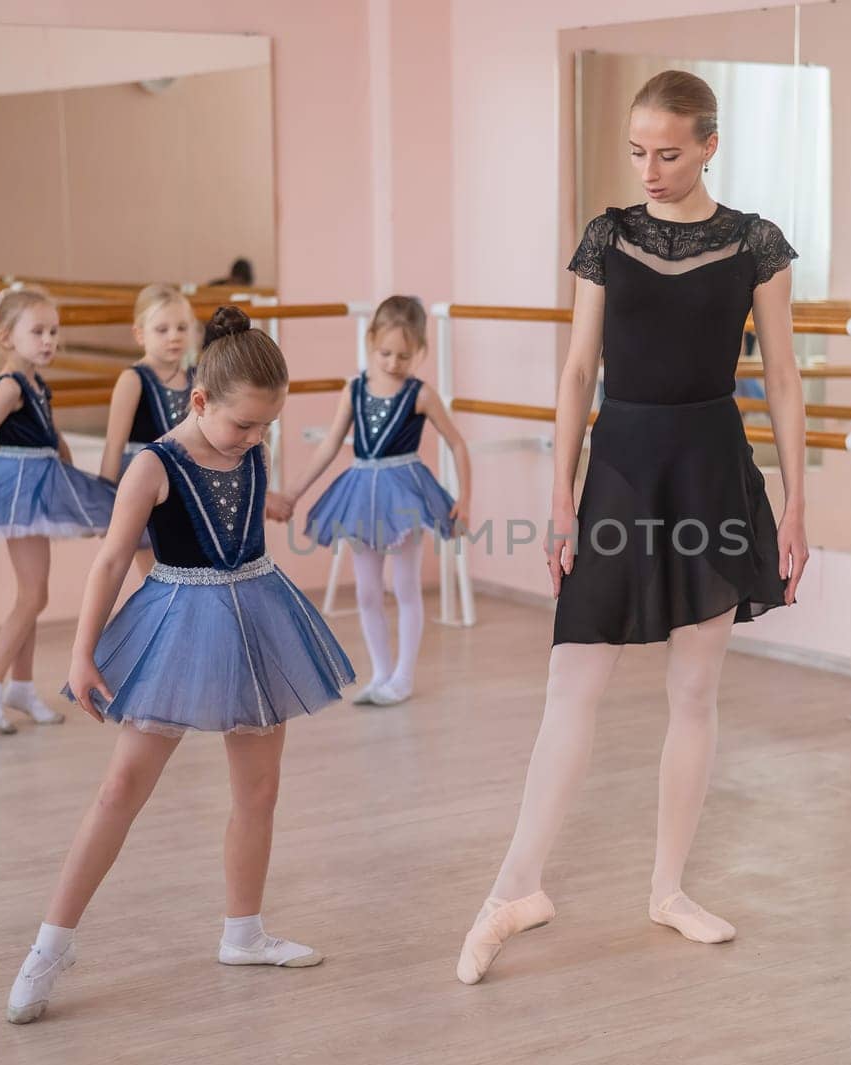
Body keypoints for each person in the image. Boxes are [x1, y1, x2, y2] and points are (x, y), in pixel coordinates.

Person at [455, 70, 808, 985]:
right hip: (620, 467)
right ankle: (514, 888)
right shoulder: (608, 235)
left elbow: (783, 378)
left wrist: (797, 502)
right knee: (572, 675)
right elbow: (578, 373)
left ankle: (668, 887)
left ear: (709, 146)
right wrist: (561, 491)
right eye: (639, 152)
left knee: (695, 691)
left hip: (712, 470)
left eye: (670, 152)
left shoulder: (756, 243)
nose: (651, 168)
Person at [2, 307, 354, 1025]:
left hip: (258, 619)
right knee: (119, 790)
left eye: (265, 427)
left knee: (259, 792)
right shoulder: (153, 464)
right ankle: (49, 946)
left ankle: (243, 931)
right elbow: (106, 563)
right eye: (244, 425)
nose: (255, 439)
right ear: (199, 400)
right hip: (176, 623)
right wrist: (81, 651)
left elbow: (248, 517)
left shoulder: (249, 448)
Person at [269, 295, 469, 706]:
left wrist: (465, 497)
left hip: (405, 494)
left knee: (405, 586)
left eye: (404, 355)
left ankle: (404, 676)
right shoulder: (355, 389)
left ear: (419, 352)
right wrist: (292, 492)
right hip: (360, 494)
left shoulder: (421, 394)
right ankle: (380, 673)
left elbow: (457, 443)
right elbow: (328, 445)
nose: (394, 362)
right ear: (370, 340)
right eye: (386, 353)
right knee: (366, 591)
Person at [0, 286, 116, 733]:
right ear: (6, 338)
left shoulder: (36, 382)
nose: (49, 340)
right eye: (37, 331)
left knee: (32, 593)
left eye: (53, 331)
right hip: (16, 489)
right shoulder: (10, 385)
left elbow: (56, 440)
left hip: (43, 482)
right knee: (35, 595)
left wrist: (79, 495)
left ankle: (22, 686)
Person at [98, 283, 196, 575]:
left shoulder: (197, 377)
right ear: (140, 334)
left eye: (182, 327)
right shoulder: (133, 379)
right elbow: (114, 445)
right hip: (144, 487)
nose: (174, 336)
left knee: (189, 574)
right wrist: (105, 507)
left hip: (187, 485)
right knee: (159, 578)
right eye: (162, 329)